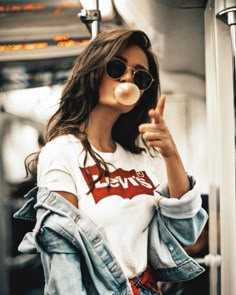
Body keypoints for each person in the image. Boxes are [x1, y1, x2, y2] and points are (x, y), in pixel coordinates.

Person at [14, 29, 208, 295]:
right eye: (117, 67)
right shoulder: (61, 152)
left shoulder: (139, 159)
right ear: (93, 71)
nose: (128, 77)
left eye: (140, 76)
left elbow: (186, 233)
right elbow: (62, 262)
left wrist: (171, 155)